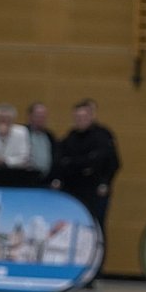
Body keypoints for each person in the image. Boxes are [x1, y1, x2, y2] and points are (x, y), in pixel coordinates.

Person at [52, 98, 120, 239]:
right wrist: (84, 162)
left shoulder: (103, 135)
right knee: (73, 224)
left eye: (84, 117)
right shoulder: (70, 137)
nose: (80, 120)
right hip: (74, 188)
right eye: (77, 117)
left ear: (91, 116)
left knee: (95, 226)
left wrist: (105, 182)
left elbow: (111, 162)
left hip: (95, 189)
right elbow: (62, 161)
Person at [25, 102, 56, 185]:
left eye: (43, 116)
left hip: (45, 181)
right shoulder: (23, 133)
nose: (41, 119)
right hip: (26, 179)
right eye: (38, 116)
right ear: (30, 116)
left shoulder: (50, 136)